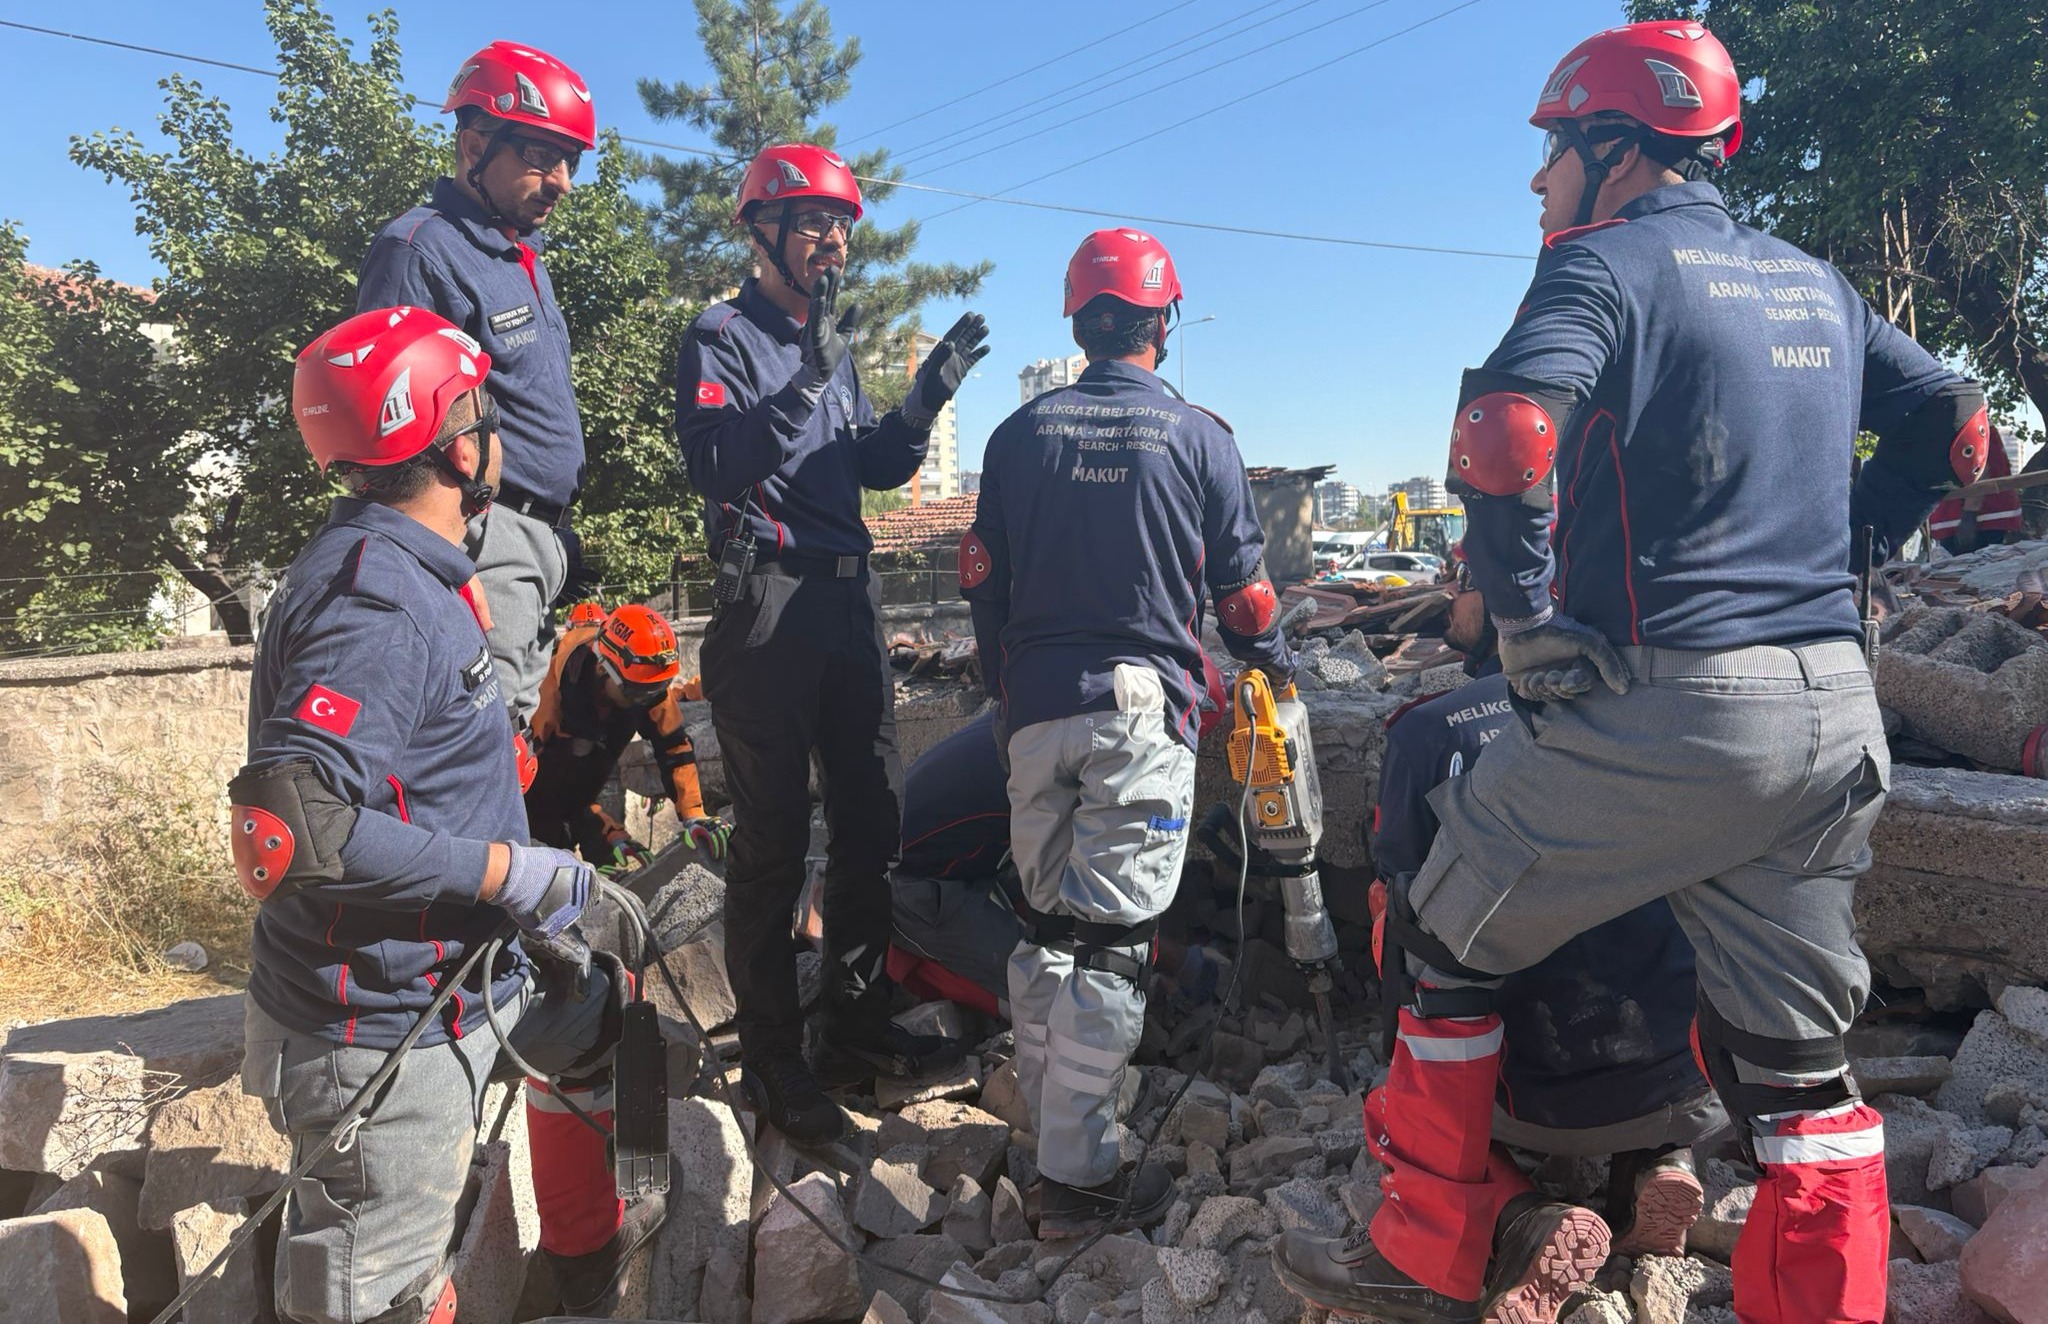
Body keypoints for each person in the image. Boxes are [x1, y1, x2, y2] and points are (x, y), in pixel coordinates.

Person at [1272, 21, 1988, 1324]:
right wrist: (1862, 540)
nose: (1538, 182)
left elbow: (1503, 431)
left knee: (1440, 930)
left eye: (1551, 151)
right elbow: (1964, 421)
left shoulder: (1599, 265)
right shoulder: (1811, 282)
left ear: (1613, 146)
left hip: (1675, 710)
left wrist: (1534, 622)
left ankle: (1424, 1249)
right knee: (1795, 1069)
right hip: (1835, 715)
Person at [231, 307, 664, 1324]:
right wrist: (511, 875)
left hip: (471, 975)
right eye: (490, 413)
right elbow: (293, 828)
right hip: (385, 1026)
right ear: (460, 440)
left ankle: (585, 1256)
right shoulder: (373, 599)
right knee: (386, 1301)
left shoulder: (406, 566)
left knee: (609, 1015)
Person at [959, 228, 1298, 1237]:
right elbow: (1242, 597)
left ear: (1077, 320)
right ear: (1163, 319)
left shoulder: (1017, 436)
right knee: (1110, 944)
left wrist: (1010, 696)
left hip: (1035, 713)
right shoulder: (1198, 436)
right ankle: (1077, 1179)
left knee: (1047, 928)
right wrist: (1274, 656)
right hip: (1137, 715)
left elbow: (985, 592)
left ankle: (1043, 1121)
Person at [674, 143, 991, 1144]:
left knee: (871, 828)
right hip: (767, 608)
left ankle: (850, 1028)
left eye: (840, 225)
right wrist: (806, 380)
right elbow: (718, 464)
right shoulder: (718, 336)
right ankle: (772, 1058)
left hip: (848, 607)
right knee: (771, 841)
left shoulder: (832, 347)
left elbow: (871, 467)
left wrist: (926, 395)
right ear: (762, 232)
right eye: (812, 223)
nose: (833, 242)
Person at [1366, 556, 1726, 1260]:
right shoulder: (1668, 725)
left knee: (1389, 1092)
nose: (1450, 597)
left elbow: (1402, 933)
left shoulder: (1428, 731)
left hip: (1510, 1101)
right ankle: (1660, 1163)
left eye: (1464, 578)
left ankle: (1524, 1213)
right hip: (1675, 1080)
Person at [357, 41, 597, 728]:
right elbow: (388, 429)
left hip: (532, 541)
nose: (562, 182)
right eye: (541, 156)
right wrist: (449, 560)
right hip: (479, 539)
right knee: (480, 745)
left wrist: (553, 538)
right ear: (473, 144)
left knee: (514, 742)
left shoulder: (520, 256)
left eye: (570, 162)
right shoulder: (418, 249)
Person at [888, 660, 1230, 1016]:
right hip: (908, 882)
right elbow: (1100, 900)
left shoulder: (1063, 714)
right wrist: (1176, 963)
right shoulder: (1081, 770)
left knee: (1063, 940)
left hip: (966, 855)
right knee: (1052, 998)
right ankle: (911, 966)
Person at [523, 602, 732, 869]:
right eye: (636, 693)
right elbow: (528, 784)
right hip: (536, 801)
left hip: (589, 784)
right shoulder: (551, 694)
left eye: (655, 691)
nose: (645, 701)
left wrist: (694, 814)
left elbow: (674, 748)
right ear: (602, 669)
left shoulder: (645, 679)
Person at [1929, 423, 2020, 554]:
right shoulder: (1964, 423)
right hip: (1971, 521)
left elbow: (1978, 471)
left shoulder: (1963, 423)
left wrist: (1969, 515)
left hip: (1978, 523)